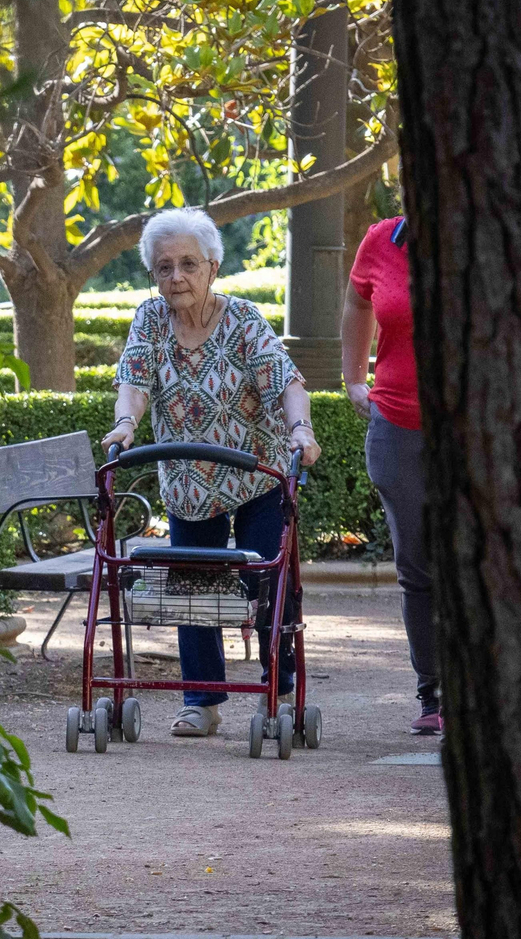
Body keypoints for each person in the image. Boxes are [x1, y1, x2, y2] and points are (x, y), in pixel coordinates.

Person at [101, 209, 321, 737]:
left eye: (188, 264)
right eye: (164, 267)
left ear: (213, 267)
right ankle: (202, 702)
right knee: (192, 591)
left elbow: (287, 384)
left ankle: (280, 692)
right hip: (189, 486)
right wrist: (126, 423)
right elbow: (133, 377)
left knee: (268, 584)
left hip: (255, 478)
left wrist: (302, 431)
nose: (175, 277)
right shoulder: (151, 321)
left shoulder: (244, 320)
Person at [341, 214, 441, 735]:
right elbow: (359, 301)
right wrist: (354, 376)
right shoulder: (383, 239)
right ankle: (434, 694)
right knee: (417, 563)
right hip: (398, 426)